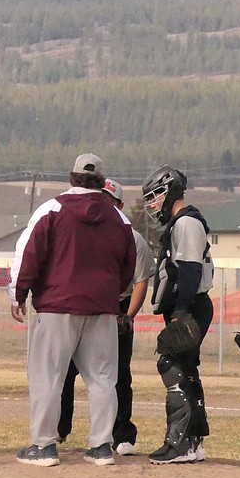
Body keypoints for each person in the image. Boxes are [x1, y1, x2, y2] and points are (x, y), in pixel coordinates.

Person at [11, 154, 137, 468]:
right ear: (100, 182)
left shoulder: (52, 209)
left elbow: (29, 254)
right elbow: (128, 266)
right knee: (103, 378)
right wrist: (109, 293)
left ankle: (44, 446)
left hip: (57, 306)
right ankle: (101, 446)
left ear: (72, 178)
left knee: (48, 377)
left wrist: (19, 294)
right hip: (102, 308)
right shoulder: (119, 218)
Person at [57, 179, 155, 455]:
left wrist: (129, 316)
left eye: (110, 201)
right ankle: (59, 430)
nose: (103, 204)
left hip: (116, 308)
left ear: (120, 205)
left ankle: (121, 433)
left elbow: (141, 281)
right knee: (65, 371)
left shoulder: (131, 236)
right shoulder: (81, 229)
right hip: (83, 305)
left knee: (117, 374)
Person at [141, 165, 213, 465]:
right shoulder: (180, 223)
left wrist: (180, 312)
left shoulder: (186, 224)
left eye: (156, 195)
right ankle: (192, 442)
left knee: (172, 366)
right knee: (185, 369)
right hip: (187, 305)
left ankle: (180, 443)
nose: (153, 203)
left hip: (191, 305)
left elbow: (191, 270)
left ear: (171, 191)